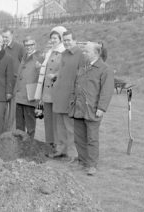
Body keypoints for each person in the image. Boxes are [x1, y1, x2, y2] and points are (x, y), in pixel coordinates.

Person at [69, 42, 114, 176]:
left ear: (96, 53)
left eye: (87, 51)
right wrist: (72, 101)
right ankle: (82, 161)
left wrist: (101, 108)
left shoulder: (105, 69)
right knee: (79, 137)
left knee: (92, 138)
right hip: (78, 108)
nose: (84, 53)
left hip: (93, 110)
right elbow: (75, 86)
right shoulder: (83, 67)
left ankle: (92, 165)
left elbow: (107, 91)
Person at [50, 30, 84, 161]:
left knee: (71, 127)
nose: (66, 42)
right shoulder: (63, 54)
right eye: (64, 40)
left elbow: (81, 76)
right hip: (59, 94)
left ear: (75, 40)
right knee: (60, 125)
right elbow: (62, 71)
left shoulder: (81, 55)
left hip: (71, 95)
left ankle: (73, 154)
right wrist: (56, 76)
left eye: (69, 40)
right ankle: (61, 150)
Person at [34, 26, 67, 148]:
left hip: (56, 90)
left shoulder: (64, 52)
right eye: (51, 38)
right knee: (48, 119)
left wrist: (56, 75)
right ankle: (49, 143)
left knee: (56, 120)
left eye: (55, 38)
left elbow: (66, 70)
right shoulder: (50, 52)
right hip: (47, 91)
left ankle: (57, 144)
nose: (53, 40)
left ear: (61, 39)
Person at [14, 37, 44, 138]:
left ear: (35, 45)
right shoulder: (24, 56)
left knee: (30, 125)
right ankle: (19, 144)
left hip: (30, 95)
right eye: (26, 45)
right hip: (20, 95)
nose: (29, 47)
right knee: (19, 125)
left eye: (31, 45)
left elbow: (42, 75)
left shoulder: (39, 57)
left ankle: (30, 145)